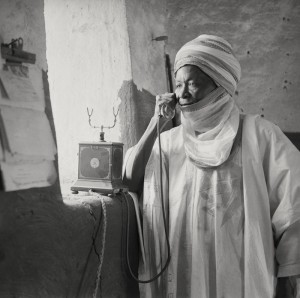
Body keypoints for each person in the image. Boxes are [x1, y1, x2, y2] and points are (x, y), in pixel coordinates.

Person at [123, 34, 300, 298]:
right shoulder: (168, 142)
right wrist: (155, 124)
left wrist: (290, 275)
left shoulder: (260, 135)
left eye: (192, 84)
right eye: (178, 84)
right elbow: (129, 181)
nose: (182, 94)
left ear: (221, 85)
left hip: (245, 278)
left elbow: (293, 210)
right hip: (182, 276)